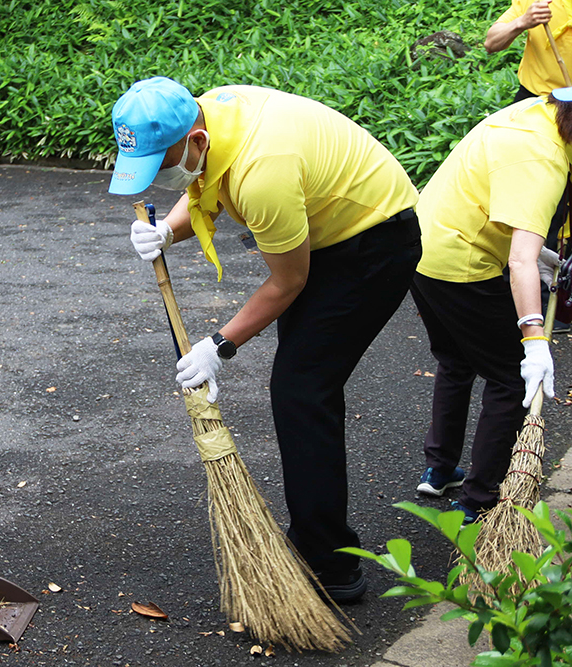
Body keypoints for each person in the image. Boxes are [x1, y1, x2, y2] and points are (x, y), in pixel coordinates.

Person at [108, 77, 421, 603]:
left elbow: (288, 281)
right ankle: (319, 540)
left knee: (304, 389)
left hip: (373, 241)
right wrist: (167, 231)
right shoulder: (212, 115)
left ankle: (332, 564)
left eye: (164, 163)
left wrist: (218, 345)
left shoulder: (262, 170)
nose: (159, 177)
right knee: (303, 386)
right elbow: (204, 187)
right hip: (322, 228)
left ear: (196, 140)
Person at [410, 91, 564, 524]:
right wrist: (534, 343)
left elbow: (499, 203)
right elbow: (520, 261)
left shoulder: (530, 113)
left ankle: (440, 469)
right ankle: (480, 497)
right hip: (461, 266)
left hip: (420, 248)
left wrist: (544, 258)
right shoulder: (544, 160)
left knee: (456, 360)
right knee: (510, 377)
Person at [485, 0, 572, 334]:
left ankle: (557, 296)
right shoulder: (538, 2)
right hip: (535, 105)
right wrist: (523, 21)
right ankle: (521, 297)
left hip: (569, 110)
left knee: (561, 207)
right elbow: (492, 42)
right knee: (534, 202)